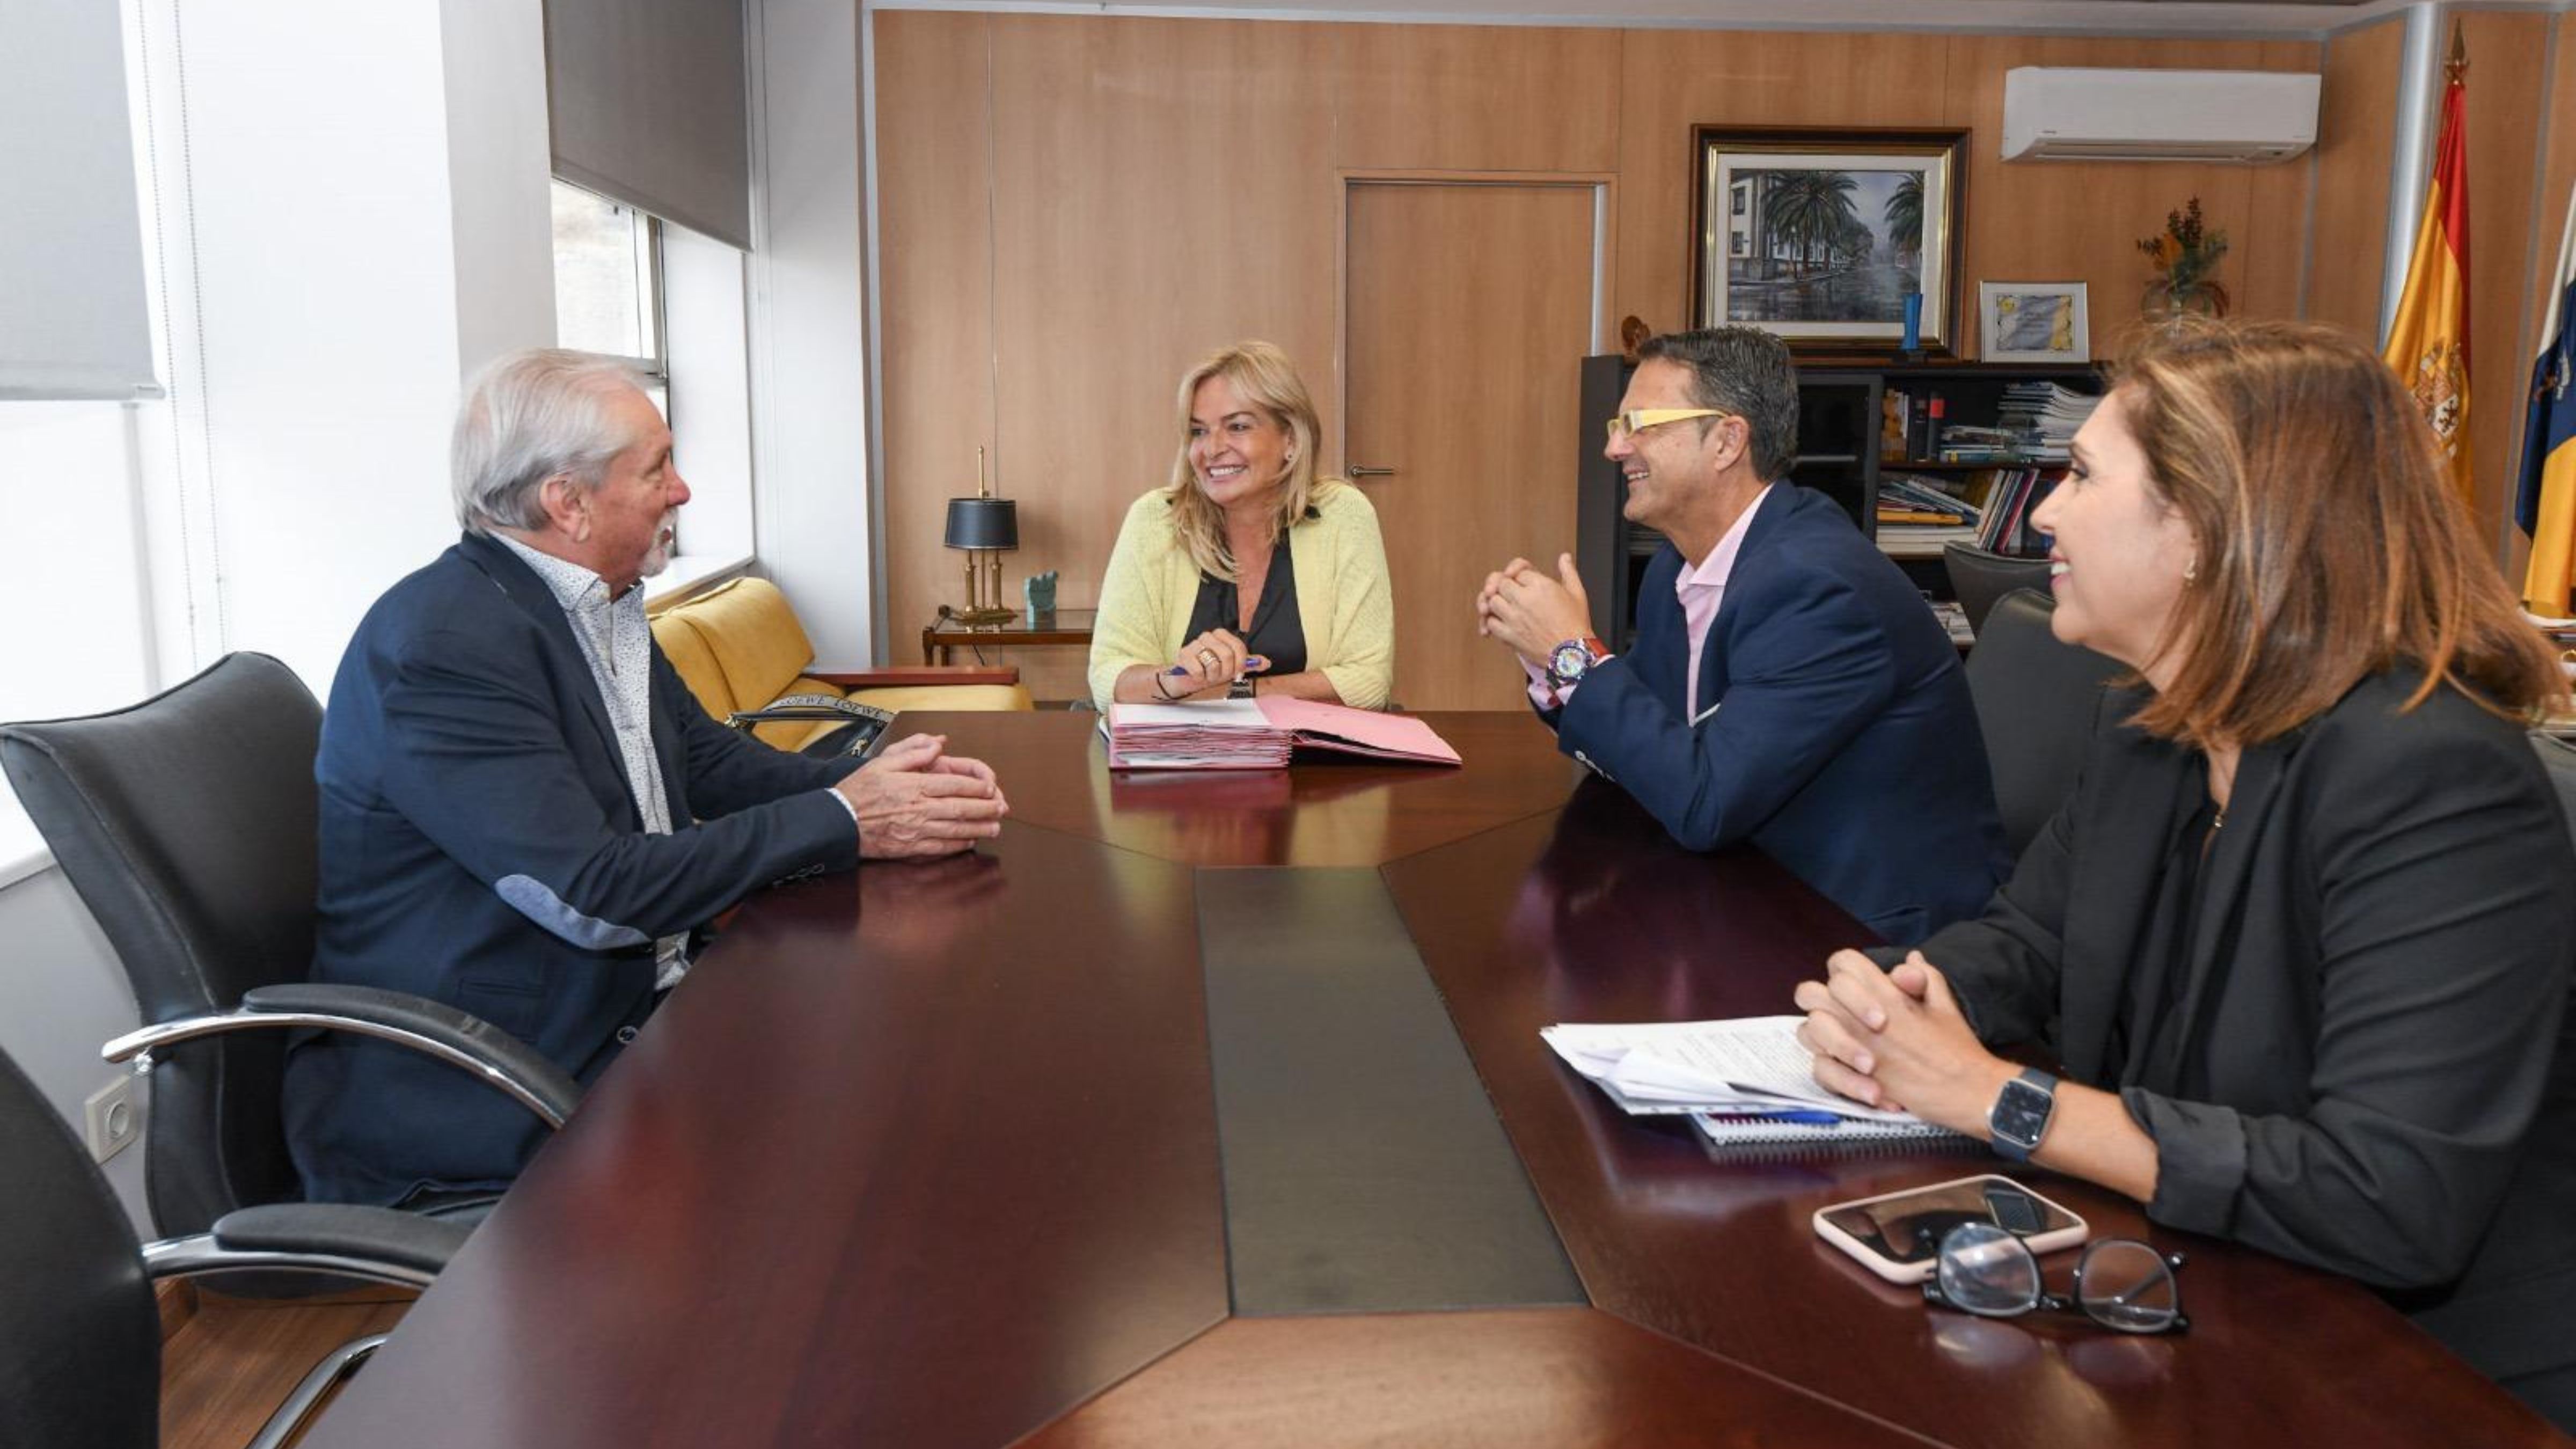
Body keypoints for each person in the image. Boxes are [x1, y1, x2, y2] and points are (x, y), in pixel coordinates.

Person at [1792, 320, 2576, 1426]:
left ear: (2207, 529)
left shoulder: (2434, 775)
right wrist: (1904, 999)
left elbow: (2389, 1195)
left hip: (2424, 1378)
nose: (2046, 512)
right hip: (2207, 1294)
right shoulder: (2151, 727)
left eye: (2079, 474)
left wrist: (2001, 1100)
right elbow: (2031, 943)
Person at [284, 349, 1009, 1206]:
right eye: (657, 466)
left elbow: (702, 761)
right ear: (568, 502)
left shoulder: (594, 599)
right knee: (867, 1152)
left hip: (630, 1012)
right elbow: (592, 894)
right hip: (502, 1078)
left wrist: (873, 782)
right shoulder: (446, 644)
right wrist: (848, 818)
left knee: (924, 1065)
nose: (683, 489)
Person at [1476, 326, 2007, 945]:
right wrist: (1549, 660)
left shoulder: (1819, 589)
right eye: (1614, 428)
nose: (1615, 449)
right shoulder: (1677, 567)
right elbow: (1649, 745)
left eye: (1640, 424)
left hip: (1870, 935)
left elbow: (1706, 803)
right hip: (1754, 889)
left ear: (1728, 440)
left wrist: (1574, 654)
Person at [1088, 341, 1393, 712]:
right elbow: (1109, 677)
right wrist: (1173, 680)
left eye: (1237, 426)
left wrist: (1234, 693)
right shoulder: (1155, 519)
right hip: (1182, 760)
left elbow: (1366, 682)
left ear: (1291, 440)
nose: (1212, 449)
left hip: (1311, 763)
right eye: (1198, 431)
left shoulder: (1342, 515)